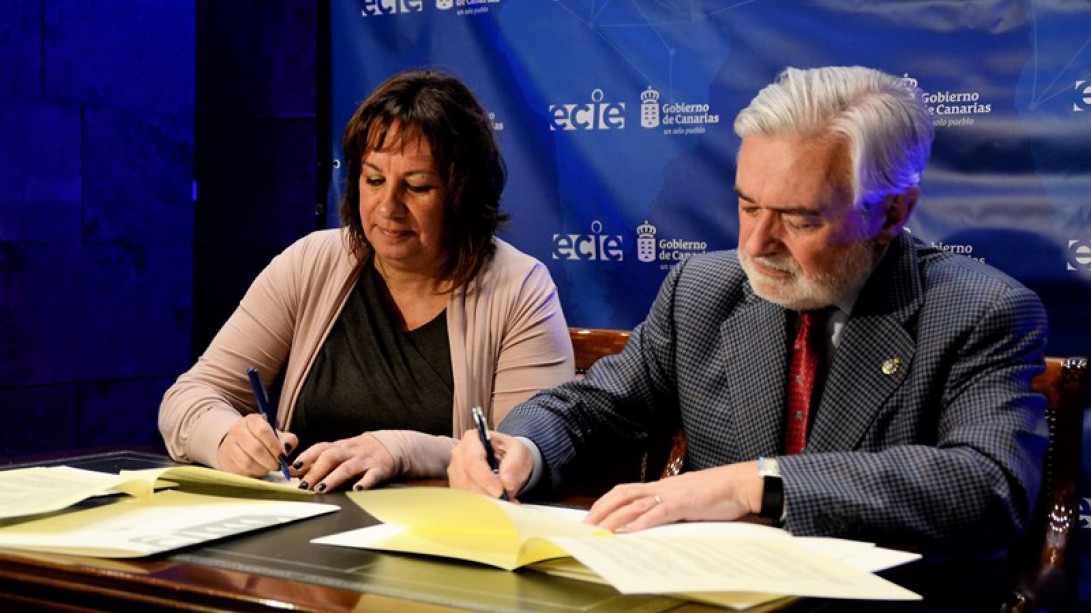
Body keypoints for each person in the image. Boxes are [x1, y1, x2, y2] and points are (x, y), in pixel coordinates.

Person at [449, 66, 1047, 562]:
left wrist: (755, 484)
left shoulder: (980, 312)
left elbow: (987, 486)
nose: (757, 243)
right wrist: (522, 448)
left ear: (891, 213)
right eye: (747, 204)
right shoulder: (703, 290)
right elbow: (598, 407)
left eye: (799, 219)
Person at [160, 68, 574, 491]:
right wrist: (227, 437)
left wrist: (400, 450)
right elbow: (188, 399)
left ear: (463, 194)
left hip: (439, 541)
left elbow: (518, 456)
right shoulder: (311, 262)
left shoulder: (519, 288)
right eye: (374, 180)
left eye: (417, 187)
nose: (387, 206)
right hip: (298, 532)